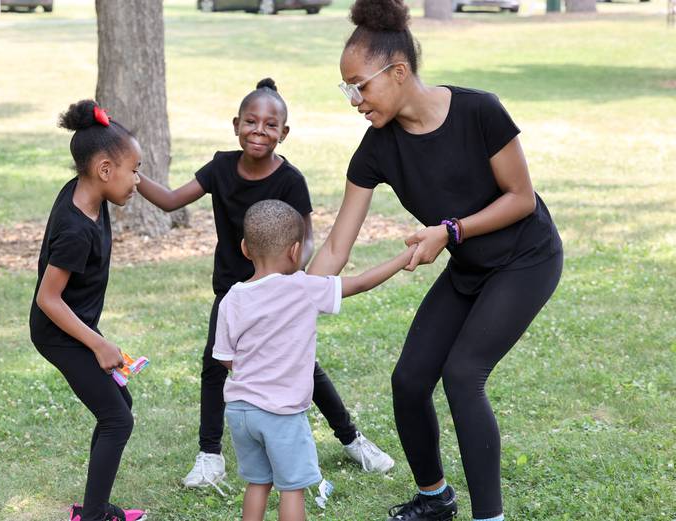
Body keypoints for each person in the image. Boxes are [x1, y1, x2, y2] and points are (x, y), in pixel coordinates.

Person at [307, 1, 564, 520]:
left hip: (526, 259)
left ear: (398, 72)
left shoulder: (479, 111)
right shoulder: (376, 149)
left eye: (360, 85)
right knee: (409, 381)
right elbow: (337, 246)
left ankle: (488, 517)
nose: (354, 99)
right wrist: (288, 298)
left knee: (463, 373)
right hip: (469, 268)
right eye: (347, 88)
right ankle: (434, 498)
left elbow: (521, 198)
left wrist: (451, 231)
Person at [135, 78, 396, 492]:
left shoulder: (291, 180)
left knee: (304, 369)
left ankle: (351, 439)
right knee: (214, 366)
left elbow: (306, 237)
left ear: (283, 133)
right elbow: (169, 200)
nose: (259, 131)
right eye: (251, 122)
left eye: (270, 125)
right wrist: (131, 174)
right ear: (236, 124)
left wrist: (294, 277)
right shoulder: (221, 167)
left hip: (279, 292)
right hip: (233, 291)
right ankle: (210, 456)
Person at [214, 199, 417, 521]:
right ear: (295, 251)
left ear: (244, 248)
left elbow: (226, 359)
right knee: (292, 489)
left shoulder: (232, 298)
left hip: (240, 411)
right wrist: (405, 256)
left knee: (257, 483)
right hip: (281, 415)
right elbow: (361, 283)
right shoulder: (303, 287)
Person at [29, 100, 147, 521]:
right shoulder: (77, 229)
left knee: (119, 408)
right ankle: (93, 517)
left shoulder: (89, 194)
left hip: (73, 326)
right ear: (102, 170)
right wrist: (97, 344)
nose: (138, 179)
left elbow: (119, 172)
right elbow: (48, 298)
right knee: (117, 420)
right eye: (134, 169)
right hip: (58, 333)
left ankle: (93, 510)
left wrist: (129, 170)